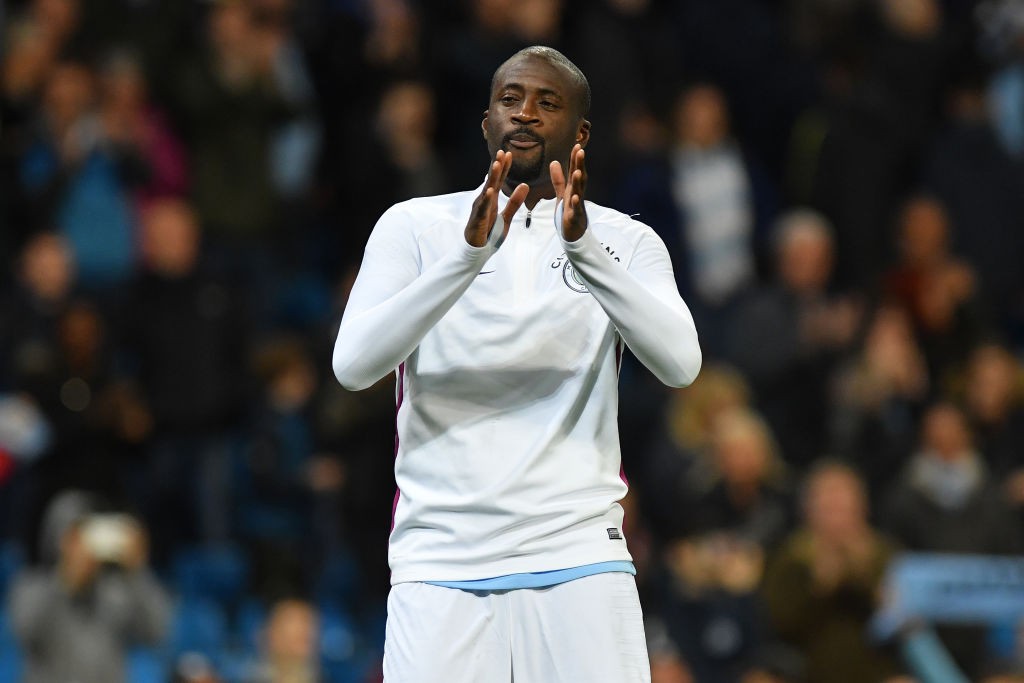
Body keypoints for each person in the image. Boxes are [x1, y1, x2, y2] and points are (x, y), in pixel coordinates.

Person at [332, 45, 701, 682]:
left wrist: (583, 248)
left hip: (578, 554)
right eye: (510, 99)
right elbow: (353, 365)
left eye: (546, 102)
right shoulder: (415, 226)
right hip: (441, 560)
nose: (524, 113)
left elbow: (681, 366)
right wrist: (466, 257)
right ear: (485, 122)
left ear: (581, 131)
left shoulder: (627, 240)